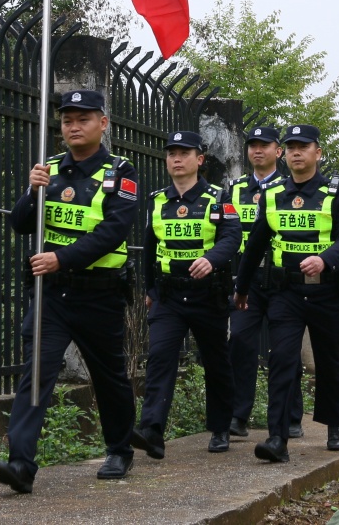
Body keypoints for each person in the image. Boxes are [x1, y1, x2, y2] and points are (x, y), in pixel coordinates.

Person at [0, 89, 138, 494]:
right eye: (67, 120)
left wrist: (62, 258)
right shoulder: (50, 168)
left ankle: (119, 448)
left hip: (99, 294)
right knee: (36, 372)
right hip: (51, 294)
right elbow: (20, 223)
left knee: (109, 376)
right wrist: (31, 192)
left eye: (83, 119)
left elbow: (114, 231)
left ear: (102, 124)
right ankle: (21, 463)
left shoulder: (120, 172)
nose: (73, 127)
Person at [234, 123, 339, 463]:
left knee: (329, 361)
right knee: (282, 359)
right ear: (285, 154)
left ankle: (335, 425)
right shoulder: (273, 194)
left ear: (317, 153)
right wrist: (242, 289)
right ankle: (277, 438)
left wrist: (324, 259)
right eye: (291, 147)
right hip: (285, 292)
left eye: (303, 147)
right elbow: (255, 244)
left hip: (326, 293)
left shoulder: (338, 194)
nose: (296, 153)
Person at [131, 130, 241, 458]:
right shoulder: (157, 200)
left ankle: (220, 428)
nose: (176, 159)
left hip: (208, 296)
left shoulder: (218, 198)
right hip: (168, 297)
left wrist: (211, 259)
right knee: (160, 357)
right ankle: (152, 431)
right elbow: (149, 247)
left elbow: (232, 237)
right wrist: (150, 289)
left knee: (215, 361)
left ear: (199, 159)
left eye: (184, 153)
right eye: (171, 154)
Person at [226, 125, 306, 439]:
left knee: (285, 349)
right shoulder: (234, 189)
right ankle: (238, 415)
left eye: (264, 145)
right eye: (252, 145)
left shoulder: (289, 188)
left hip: (282, 281)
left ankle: (291, 416)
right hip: (247, 279)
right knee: (240, 341)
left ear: (278, 151)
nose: (257, 150)